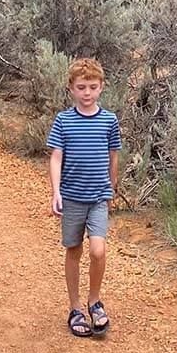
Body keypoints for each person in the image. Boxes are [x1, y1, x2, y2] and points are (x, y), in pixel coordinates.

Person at [47, 57, 121, 338]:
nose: (87, 93)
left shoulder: (109, 120)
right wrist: (56, 192)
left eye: (92, 87)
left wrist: (111, 189)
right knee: (74, 249)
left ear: (101, 87)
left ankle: (95, 300)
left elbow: (113, 156)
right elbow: (56, 156)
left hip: (98, 196)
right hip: (72, 197)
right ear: (71, 89)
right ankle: (75, 307)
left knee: (98, 250)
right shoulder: (64, 120)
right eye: (81, 87)